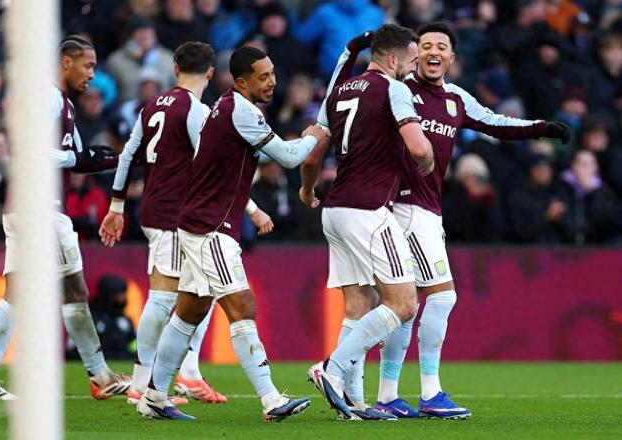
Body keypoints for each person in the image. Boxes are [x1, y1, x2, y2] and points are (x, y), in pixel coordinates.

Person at [314, 21, 571, 419]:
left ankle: (384, 395)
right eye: (426, 45)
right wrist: (351, 53)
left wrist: (541, 128)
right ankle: (426, 391)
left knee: (402, 303)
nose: (433, 52)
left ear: (452, 57)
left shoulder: (456, 98)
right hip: (403, 207)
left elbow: (496, 123)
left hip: (423, 208)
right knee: (439, 296)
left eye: (441, 46)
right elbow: (346, 97)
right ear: (413, 54)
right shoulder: (397, 88)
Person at [135, 46, 325, 421]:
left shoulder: (227, 105)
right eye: (263, 77)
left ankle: (154, 397)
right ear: (240, 82)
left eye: (272, 74)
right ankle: (270, 399)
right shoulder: (241, 110)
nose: (272, 82)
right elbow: (289, 158)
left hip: (199, 222)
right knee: (242, 308)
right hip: (210, 228)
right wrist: (313, 136)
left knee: (189, 312)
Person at [99, 42, 274, 407]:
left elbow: (128, 154)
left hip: (153, 208)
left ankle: (188, 373)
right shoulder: (197, 111)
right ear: (210, 73)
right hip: (178, 214)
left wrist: (116, 205)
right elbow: (214, 168)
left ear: (176, 68)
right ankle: (142, 383)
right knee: (164, 298)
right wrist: (253, 210)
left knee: (200, 293)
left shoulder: (152, 105)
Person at [0, 35, 131, 401]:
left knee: (18, 292)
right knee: (74, 290)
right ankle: (100, 376)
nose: (92, 74)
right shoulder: (49, 97)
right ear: (66, 62)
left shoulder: (62, 103)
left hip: (21, 207)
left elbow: (77, 157)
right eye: (88, 65)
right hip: (41, 207)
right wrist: (79, 158)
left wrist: (113, 159)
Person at [300, 24, 435, 421]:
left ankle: (354, 402)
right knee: (403, 303)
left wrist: (307, 190)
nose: (413, 68)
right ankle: (332, 368)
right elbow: (418, 147)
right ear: (392, 58)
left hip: (335, 210)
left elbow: (312, 156)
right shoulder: (394, 89)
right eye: (411, 60)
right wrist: (427, 160)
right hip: (369, 210)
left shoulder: (339, 91)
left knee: (360, 304)